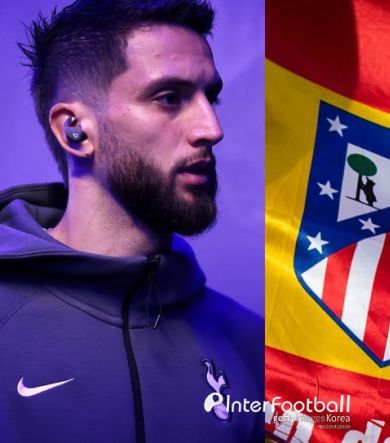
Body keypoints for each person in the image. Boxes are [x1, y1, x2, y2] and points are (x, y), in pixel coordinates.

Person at [0, 1, 263, 442]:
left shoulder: (253, 345)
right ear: (75, 130)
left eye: (210, 97)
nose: (212, 128)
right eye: (169, 98)